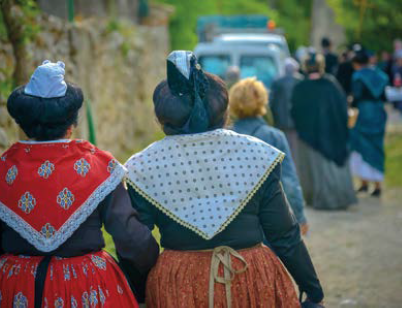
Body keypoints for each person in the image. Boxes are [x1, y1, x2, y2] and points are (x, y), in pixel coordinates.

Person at [125, 51, 324, 307]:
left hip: (179, 281)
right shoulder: (256, 154)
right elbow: (284, 234)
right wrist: (312, 288)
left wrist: (139, 293)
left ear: (164, 117)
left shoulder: (143, 166)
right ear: (221, 110)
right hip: (250, 277)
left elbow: (138, 245)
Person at [0, 60, 159, 307]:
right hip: (86, 287)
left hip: (14, 289)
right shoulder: (98, 166)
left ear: (22, 124)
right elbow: (131, 239)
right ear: (72, 124)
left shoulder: (4, 169)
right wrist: (142, 277)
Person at [230, 77, 308, 235]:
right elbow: (288, 181)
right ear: (263, 100)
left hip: (233, 222)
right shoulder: (274, 137)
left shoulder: (225, 137)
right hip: (268, 220)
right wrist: (299, 216)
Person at [291, 52, 357, 210]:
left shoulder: (300, 87)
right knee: (332, 170)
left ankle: (315, 198)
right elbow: (342, 108)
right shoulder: (331, 84)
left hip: (310, 137)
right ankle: (339, 198)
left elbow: (295, 112)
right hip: (333, 133)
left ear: (305, 67)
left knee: (314, 170)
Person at [350, 50, 389, 197]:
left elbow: (357, 96)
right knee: (377, 147)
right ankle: (378, 185)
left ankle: (364, 183)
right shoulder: (380, 75)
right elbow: (384, 97)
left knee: (361, 147)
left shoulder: (358, 76)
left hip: (364, 114)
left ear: (357, 64)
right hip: (378, 113)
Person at [269, 57, 304, 157]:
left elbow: (272, 101)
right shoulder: (300, 81)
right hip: (296, 120)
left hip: (280, 120)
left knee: (281, 147)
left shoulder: (277, 81)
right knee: (295, 148)